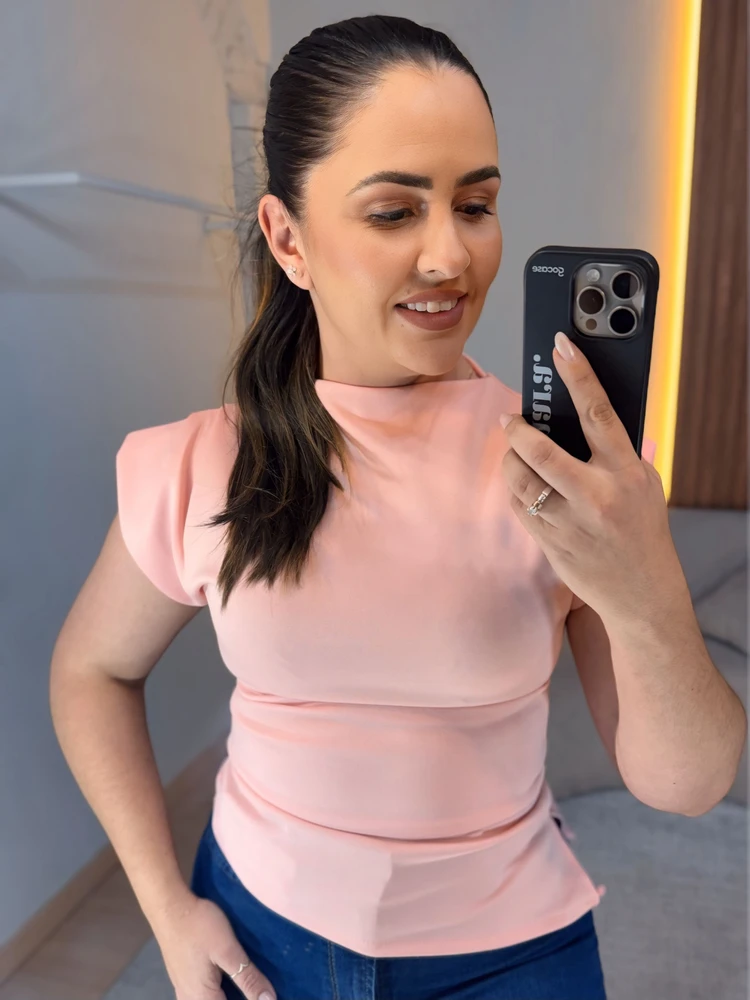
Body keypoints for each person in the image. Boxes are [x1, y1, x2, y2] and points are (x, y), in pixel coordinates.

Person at [51, 14, 616, 1000]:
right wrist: (167, 908)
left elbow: (689, 778)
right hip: (260, 935)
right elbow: (91, 670)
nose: (450, 256)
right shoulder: (201, 465)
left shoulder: (557, 468)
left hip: (516, 953)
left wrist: (644, 573)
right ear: (288, 237)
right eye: (394, 212)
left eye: (475, 205)